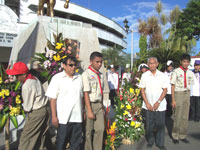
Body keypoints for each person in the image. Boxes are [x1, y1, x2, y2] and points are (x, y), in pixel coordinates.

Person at [6, 62, 49, 150]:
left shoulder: (27, 85)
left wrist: (16, 107)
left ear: (24, 74)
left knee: (26, 137)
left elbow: (27, 107)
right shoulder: (34, 78)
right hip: (44, 108)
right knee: (41, 136)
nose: (16, 78)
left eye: (17, 76)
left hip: (37, 112)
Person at [46, 56, 83, 150]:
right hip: (63, 119)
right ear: (64, 65)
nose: (73, 67)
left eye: (75, 65)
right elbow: (52, 99)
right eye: (71, 65)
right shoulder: (57, 78)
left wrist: (84, 111)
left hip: (77, 118)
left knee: (76, 144)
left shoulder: (79, 77)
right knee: (61, 143)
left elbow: (82, 97)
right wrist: (54, 117)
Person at [139, 57, 167, 150]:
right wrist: (147, 103)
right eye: (150, 63)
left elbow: (165, 90)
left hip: (160, 105)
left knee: (160, 125)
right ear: (148, 64)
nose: (152, 65)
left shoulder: (162, 75)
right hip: (148, 106)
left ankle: (160, 143)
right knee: (149, 125)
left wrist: (158, 102)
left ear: (157, 64)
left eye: (154, 63)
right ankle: (150, 141)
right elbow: (142, 89)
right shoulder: (145, 75)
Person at [82, 51, 106, 150]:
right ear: (91, 61)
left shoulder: (101, 75)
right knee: (88, 131)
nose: (99, 64)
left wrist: (103, 106)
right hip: (89, 105)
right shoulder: (86, 74)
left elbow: (103, 91)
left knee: (100, 129)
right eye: (97, 62)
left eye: (101, 62)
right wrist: (89, 110)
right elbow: (86, 93)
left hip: (99, 105)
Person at [171, 54, 194, 144]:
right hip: (178, 94)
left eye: (187, 62)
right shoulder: (176, 71)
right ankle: (175, 135)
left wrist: (189, 97)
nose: (186, 63)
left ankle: (183, 135)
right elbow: (172, 86)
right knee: (178, 116)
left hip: (187, 94)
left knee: (185, 116)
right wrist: (173, 100)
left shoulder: (190, 73)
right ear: (181, 61)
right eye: (184, 61)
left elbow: (190, 86)